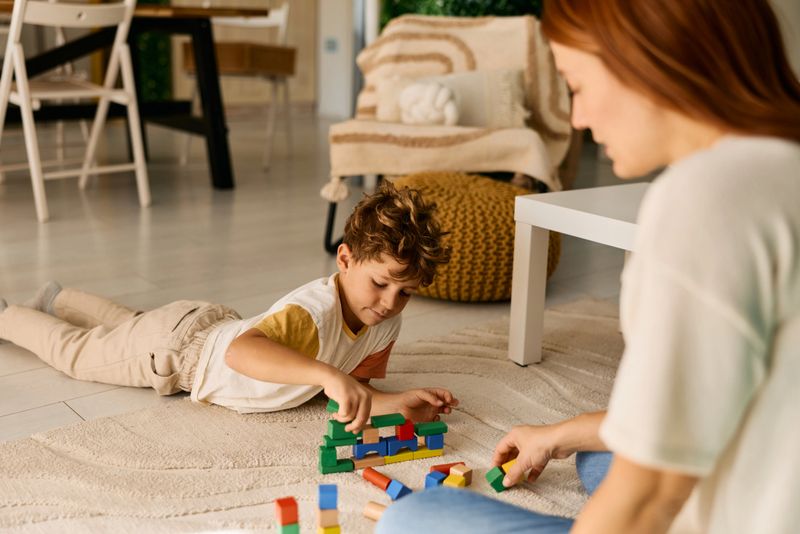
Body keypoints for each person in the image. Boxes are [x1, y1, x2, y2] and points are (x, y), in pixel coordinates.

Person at [377, 0, 800, 533]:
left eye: (577, 86)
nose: (577, 118)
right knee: (597, 454)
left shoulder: (706, 199)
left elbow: (649, 498)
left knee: (415, 519)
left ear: (648, 61)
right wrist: (559, 433)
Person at [0, 181, 457, 432]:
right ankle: (8, 314)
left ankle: (57, 297)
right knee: (81, 353)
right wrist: (328, 375)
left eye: (407, 293)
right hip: (179, 354)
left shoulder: (384, 322)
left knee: (131, 326)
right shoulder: (313, 313)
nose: (391, 303)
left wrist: (398, 402)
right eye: (381, 284)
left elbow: (349, 390)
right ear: (345, 259)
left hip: (200, 325)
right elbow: (240, 353)